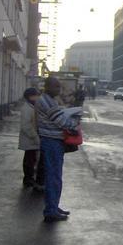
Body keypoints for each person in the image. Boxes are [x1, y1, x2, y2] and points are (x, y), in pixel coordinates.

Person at [36, 76, 80, 223]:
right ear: (47, 87)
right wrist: (74, 122)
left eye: (59, 87)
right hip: (51, 141)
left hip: (52, 141)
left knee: (55, 176)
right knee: (53, 176)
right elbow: (61, 121)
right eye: (56, 87)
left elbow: (59, 116)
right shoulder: (47, 101)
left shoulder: (50, 100)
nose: (58, 90)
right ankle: (51, 211)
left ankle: (54, 206)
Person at [19, 87, 44, 191]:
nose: (38, 97)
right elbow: (26, 126)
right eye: (36, 95)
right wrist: (35, 137)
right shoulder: (27, 108)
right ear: (30, 96)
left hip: (32, 139)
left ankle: (29, 178)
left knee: (32, 159)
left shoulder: (32, 106)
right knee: (29, 160)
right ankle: (28, 179)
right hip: (30, 139)